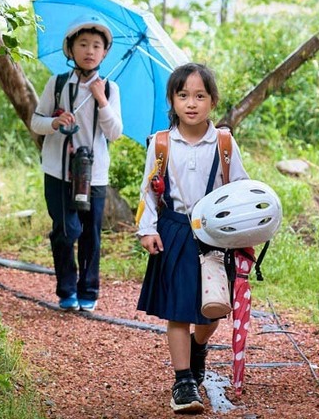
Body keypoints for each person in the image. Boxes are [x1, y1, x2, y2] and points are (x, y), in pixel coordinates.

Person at [136, 62, 250, 414]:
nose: (191, 103)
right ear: (172, 101)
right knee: (178, 311)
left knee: (212, 309)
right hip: (174, 231)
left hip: (214, 235)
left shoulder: (225, 143)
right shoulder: (161, 144)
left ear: (212, 102)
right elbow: (149, 193)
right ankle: (183, 381)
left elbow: (241, 190)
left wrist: (246, 229)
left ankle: (199, 348)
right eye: (183, 95)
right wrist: (148, 229)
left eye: (200, 96)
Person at [31, 14, 123, 312]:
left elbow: (115, 133)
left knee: (91, 235)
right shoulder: (57, 84)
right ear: (70, 49)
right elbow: (36, 122)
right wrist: (55, 122)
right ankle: (66, 288)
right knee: (65, 230)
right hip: (58, 170)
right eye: (83, 44)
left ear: (105, 53)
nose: (90, 50)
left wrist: (102, 102)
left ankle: (89, 290)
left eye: (97, 45)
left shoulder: (109, 89)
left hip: (93, 173)